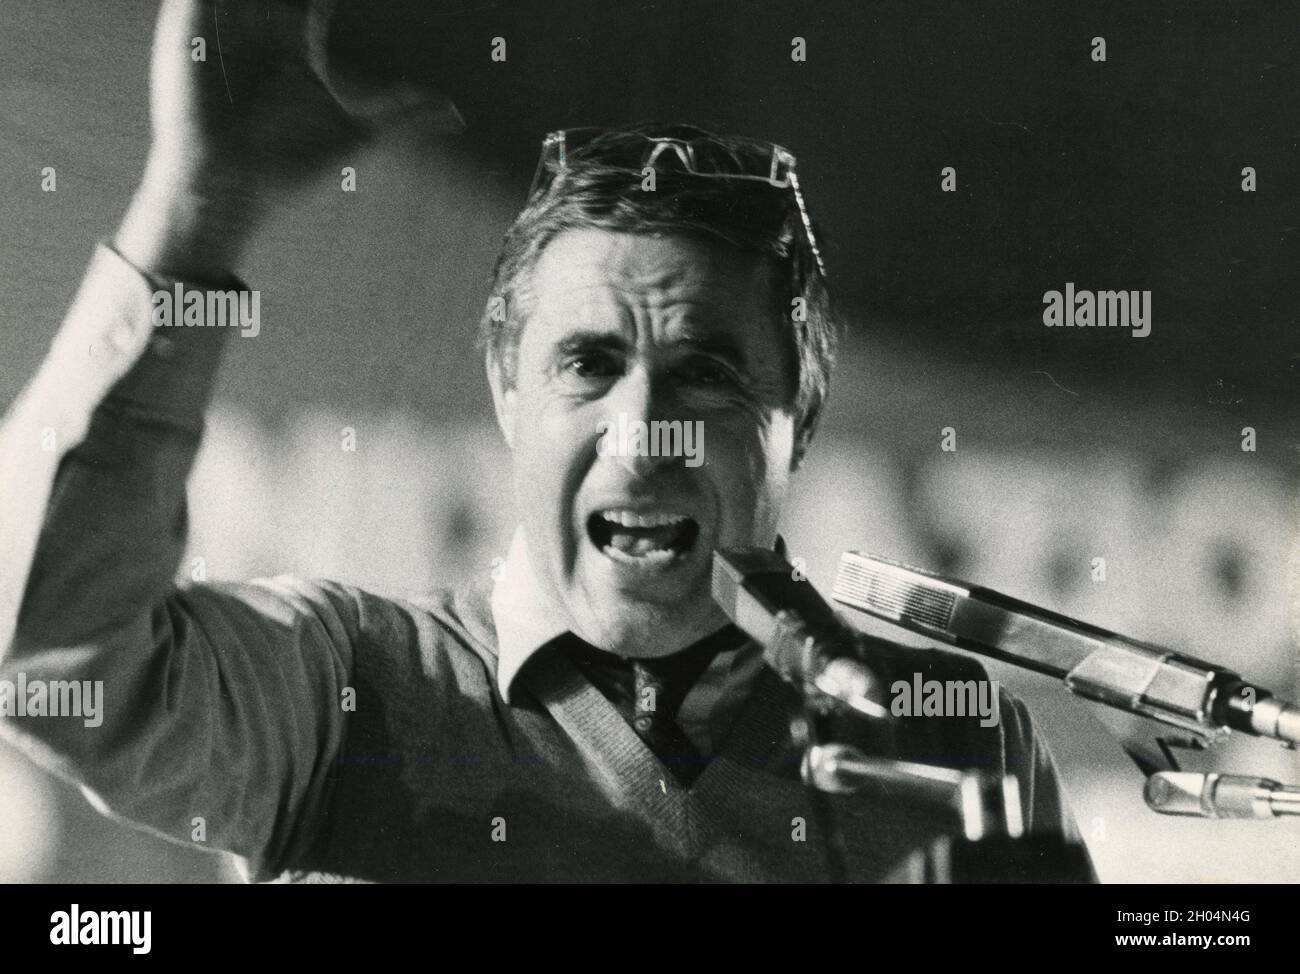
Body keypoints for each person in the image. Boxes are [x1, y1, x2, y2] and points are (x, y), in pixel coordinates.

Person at [0, 0, 1092, 882]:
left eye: (706, 373)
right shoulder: (345, 692)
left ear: (797, 414)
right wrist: (196, 207)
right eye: (586, 364)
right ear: (505, 396)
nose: (642, 432)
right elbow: (49, 653)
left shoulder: (948, 743)